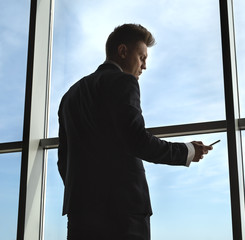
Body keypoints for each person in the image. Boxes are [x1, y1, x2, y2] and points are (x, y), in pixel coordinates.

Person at [57, 23, 213, 240]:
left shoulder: (69, 96)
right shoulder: (123, 81)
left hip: (80, 213)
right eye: (142, 57)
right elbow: (137, 140)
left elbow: (63, 160)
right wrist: (187, 151)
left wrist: (87, 193)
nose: (144, 66)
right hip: (123, 214)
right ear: (122, 52)